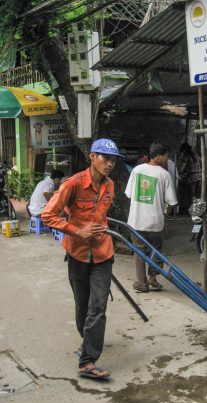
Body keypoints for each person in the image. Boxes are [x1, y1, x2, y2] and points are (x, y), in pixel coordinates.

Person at [42, 139, 124, 380]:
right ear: (92, 157)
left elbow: (104, 216)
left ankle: (87, 361)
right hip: (77, 253)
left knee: (98, 307)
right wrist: (77, 231)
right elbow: (47, 215)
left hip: (102, 254)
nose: (109, 164)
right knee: (83, 306)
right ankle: (87, 340)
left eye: (113, 160)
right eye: (105, 158)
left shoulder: (110, 186)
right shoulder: (73, 184)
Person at [125, 141, 178, 293]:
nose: (167, 159)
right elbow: (172, 201)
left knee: (139, 251)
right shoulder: (164, 175)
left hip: (136, 220)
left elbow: (129, 194)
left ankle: (141, 283)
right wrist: (164, 214)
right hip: (155, 221)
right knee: (156, 250)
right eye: (166, 156)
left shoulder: (136, 171)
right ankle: (153, 279)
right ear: (158, 155)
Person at [177, 143, 201, 210]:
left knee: (192, 195)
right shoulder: (196, 154)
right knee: (197, 194)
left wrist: (179, 171)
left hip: (192, 177)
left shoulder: (186, 156)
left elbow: (181, 169)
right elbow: (200, 163)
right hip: (199, 176)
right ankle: (199, 211)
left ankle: (195, 211)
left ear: (184, 150)